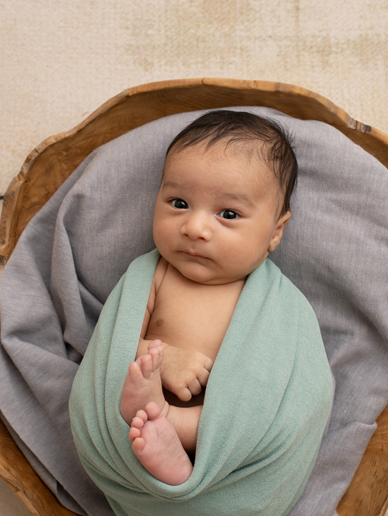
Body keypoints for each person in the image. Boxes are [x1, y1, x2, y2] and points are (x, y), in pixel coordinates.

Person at [117, 110, 298, 485]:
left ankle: (173, 434)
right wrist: (161, 358)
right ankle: (165, 441)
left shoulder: (276, 303)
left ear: (276, 233)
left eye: (228, 214)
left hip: (222, 428)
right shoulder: (153, 276)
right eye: (179, 203)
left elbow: (288, 381)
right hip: (137, 421)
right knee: (131, 384)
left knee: (247, 415)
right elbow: (110, 346)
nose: (195, 227)